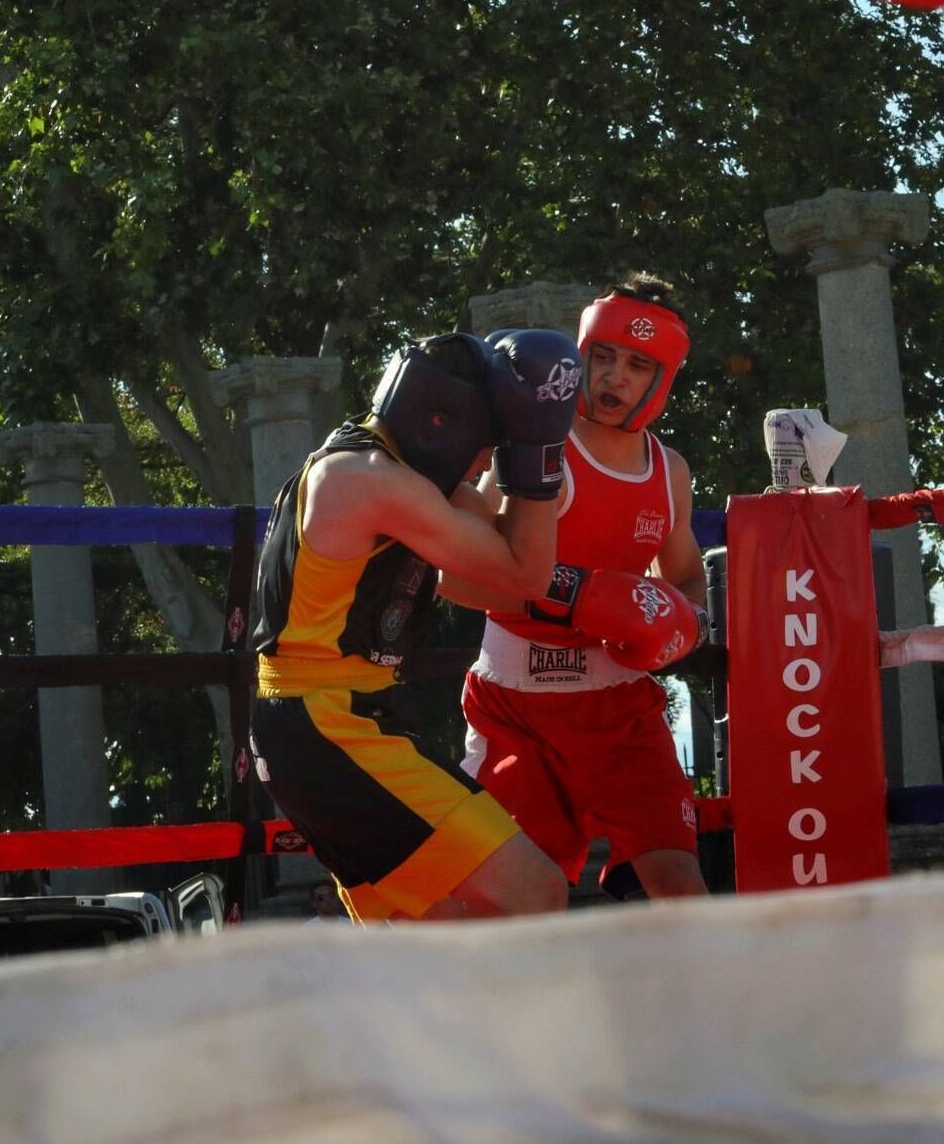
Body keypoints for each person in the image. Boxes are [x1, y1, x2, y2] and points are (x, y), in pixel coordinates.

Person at [247, 328, 584, 922]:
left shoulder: (391, 469)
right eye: (490, 441)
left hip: (328, 720)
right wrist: (537, 447)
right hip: (328, 721)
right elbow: (526, 574)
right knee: (535, 889)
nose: (488, 462)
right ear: (444, 421)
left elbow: (490, 577)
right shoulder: (369, 481)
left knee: (429, 944)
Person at [445, 276, 712, 900]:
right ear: (581, 355)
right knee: (515, 904)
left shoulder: (667, 470)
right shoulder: (537, 448)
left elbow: (687, 575)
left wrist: (687, 624)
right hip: (517, 709)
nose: (615, 378)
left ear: (660, 380)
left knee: (682, 891)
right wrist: (582, 597)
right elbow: (456, 576)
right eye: (604, 357)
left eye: (637, 365)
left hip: (622, 708)